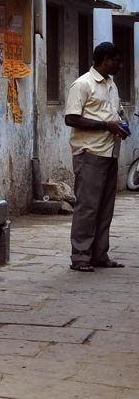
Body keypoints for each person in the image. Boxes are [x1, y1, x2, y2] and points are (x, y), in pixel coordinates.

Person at [64, 41, 129, 272]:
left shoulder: (111, 85)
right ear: (105, 61)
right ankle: (80, 257)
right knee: (88, 207)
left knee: (105, 207)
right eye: (117, 61)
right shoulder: (83, 84)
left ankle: (100, 254)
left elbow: (113, 114)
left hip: (109, 152)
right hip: (90, 153)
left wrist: (119, 126)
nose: (120, 65)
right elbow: (71, 118)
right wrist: (105, 125)